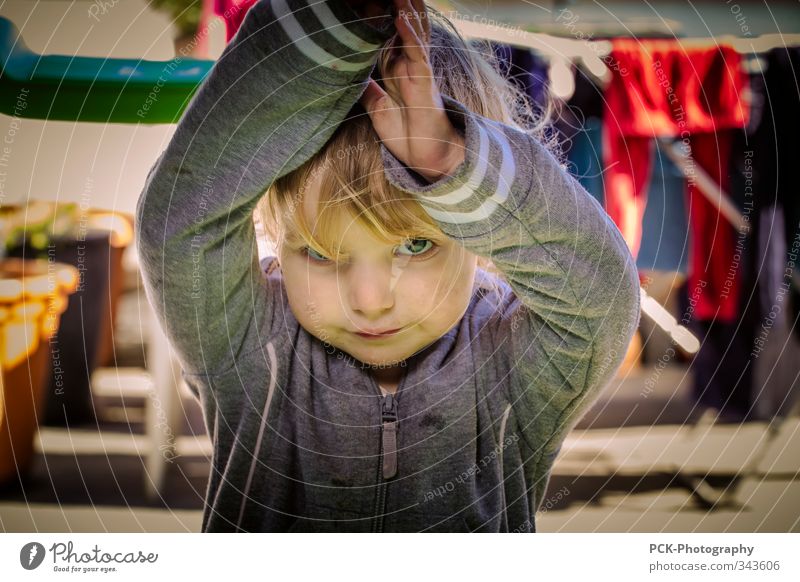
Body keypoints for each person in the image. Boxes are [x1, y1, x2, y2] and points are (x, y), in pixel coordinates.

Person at [136, 0, 641, 532]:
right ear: (276, 233)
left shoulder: (514, 366)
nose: (371, 300)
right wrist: (335, 20)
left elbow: (599, 298)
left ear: (475, 226)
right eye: (322, 254)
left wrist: (451, 158)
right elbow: (180, 219)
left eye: (416, 247)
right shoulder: (248, 349)